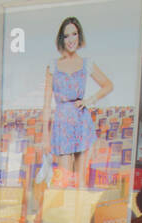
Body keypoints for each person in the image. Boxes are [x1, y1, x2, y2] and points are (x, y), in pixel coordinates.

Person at [41, 17, 113, 191]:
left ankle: (79, 218)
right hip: (62, 122)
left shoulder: (86, 63)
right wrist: (45, 135)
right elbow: (46, 104)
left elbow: (108, 85)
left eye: (74, 34)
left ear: (79, 36)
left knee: (81, 179)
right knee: (63, 178)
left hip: (81, 121)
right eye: (66, 36)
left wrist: (89, 100)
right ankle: (62, 218)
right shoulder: (53, 66)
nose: (71, 39)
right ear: (61, 39)